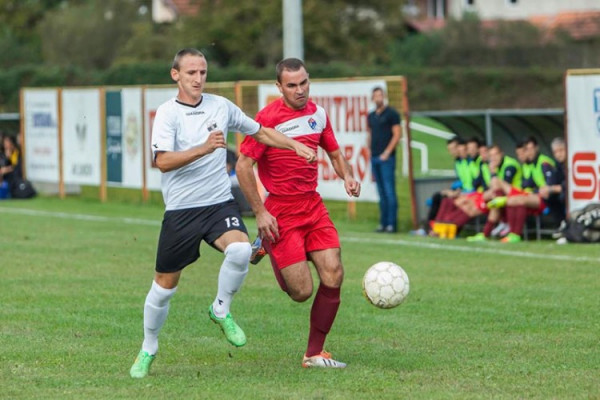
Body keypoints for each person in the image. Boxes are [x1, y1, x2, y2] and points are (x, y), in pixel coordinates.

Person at [129, 48, 316, 379]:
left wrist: (293, 144)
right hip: (181, 210)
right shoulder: (168, 114)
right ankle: (149, 347)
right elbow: (161, 162)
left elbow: (259, 131)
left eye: (202, 72)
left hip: (218, 203)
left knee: (242, 249)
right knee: (164, 288)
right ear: (176, 75)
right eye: (191, 73)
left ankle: (221, 309)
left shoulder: (220, 106)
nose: (198, 78)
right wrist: (203, 147)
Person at [236, 58, 361, 368]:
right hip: (281, 211)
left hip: (313, 206)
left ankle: (314, 353)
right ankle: (267, 243)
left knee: (334, 273)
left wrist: (346, 175)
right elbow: (242, 166)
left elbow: (334, 153)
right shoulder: (266, 119)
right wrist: (260, 212)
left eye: (303, 82)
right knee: (302, 292)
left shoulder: (318, 114)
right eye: (291, 85)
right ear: (279, 87)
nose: (300, 89)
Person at [487, 136, 557, 243]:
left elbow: (549, 186)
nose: (526, 153)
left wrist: (534, 191)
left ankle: (513, 231)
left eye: (529, 149)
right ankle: (507, 230)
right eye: (525, 150)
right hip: (530, 196)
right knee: (511, 198)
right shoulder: (527, 165)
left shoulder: (544, 163)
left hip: (546, 199)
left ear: (536, 148)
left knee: (515, 197)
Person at [367, 87, 401, 233]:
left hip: (386, 158)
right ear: (372, 98)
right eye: (375, 96)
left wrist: (387, 152)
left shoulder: (392, 114)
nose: (378, 98)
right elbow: (370, 134)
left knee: (389, 190)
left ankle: (391, 224)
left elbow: (397, 134)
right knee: (380, 191)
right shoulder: (371, 116)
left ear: (384, 97)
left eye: (380, 95)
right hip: (374, 156)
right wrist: (370, 150)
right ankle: (383, 223)